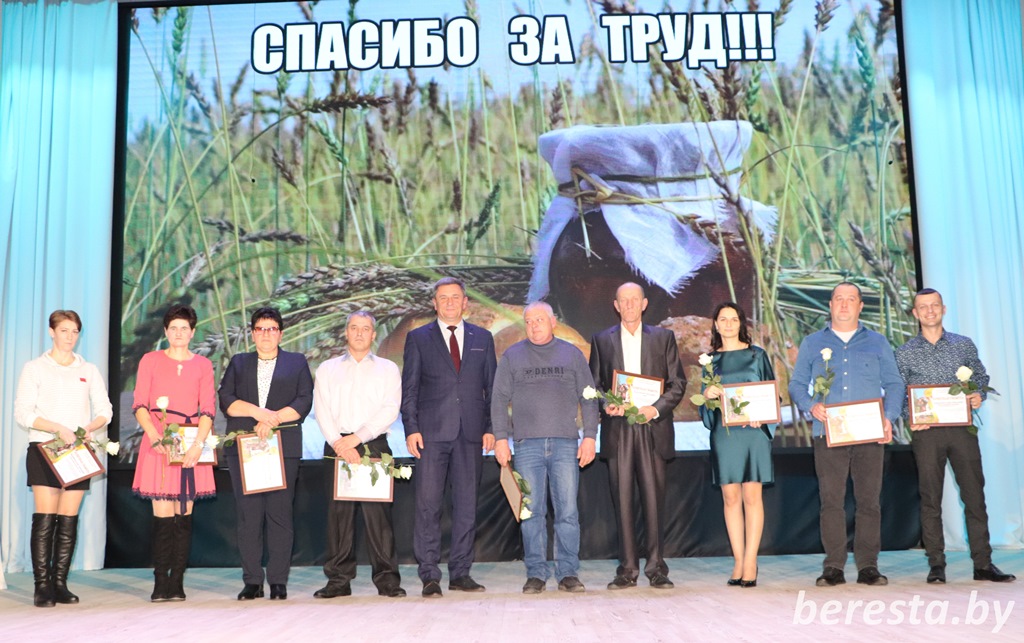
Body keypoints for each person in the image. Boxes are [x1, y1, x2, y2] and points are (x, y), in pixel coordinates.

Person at [895, 288, 1015, 584]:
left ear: (943, 308)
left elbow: (980, 377)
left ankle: (983, 564)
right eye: (923, 307)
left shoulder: (963, 344)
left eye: (934, 305)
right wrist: (911, 417)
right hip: (927, 434)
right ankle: (936, 564)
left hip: (962, 431)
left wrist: (977, 395)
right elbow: (898, 392)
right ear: (915, 313)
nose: (930, 311)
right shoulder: (904, 352)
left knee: (974, 496)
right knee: (930, 498)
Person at [788, 282, 904, 587]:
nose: (844, 304)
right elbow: (797, 384)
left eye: (850, 299)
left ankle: (868, 567)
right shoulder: (812, 342)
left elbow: (894, 384)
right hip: (828, 433)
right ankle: (833, 567)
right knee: (831, 502)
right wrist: (811, 406)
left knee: (869, 502)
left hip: (869, 434)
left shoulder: (878, 342)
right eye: (838, 299)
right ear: (830, 304)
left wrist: (889, 418)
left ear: (860, 306)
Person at [491, 302, 599, 594]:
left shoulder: (572, 354)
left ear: (553, 322)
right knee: (531, 512)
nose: (534, 325)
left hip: (566, 444)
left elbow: (589, 397)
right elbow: (498, 399)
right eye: (528, 321)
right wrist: (500, 439)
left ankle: (568, 573)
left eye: (539, 320)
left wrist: (590, 436)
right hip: (526, 446)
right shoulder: (512, 356)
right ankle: (536, 573)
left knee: (567, 512)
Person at [401, 277, 497, 597]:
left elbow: (492, 388)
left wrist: (491, 428)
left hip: (470, 433)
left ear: (465, 302)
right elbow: (409, 389)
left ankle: (460, 572)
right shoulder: (418, 338)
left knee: (466, 505)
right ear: (434, 303)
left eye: (456, 297)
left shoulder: (483, 337)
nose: (450, 302)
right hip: (430, 434)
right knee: (428, 506)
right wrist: (411, 428)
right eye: (444, 298)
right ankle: (429, 574)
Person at [589, 282, 686, 590]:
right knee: (622, 501)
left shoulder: (663, 337)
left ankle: (656, 567)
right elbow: (594, 386)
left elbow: (678, 383)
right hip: (618, 431)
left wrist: (655, 408)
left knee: (654, 501)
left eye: (634, 300)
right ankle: (627, 568)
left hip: (652, 428)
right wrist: (606, 405)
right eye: (623, 300)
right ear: (616, 305)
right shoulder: (601, 340)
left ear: (644, 304)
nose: (629, 305)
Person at [14, 310, 113, 607]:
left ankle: (60, 583)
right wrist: (57, 428)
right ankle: (42, 585)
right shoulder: (35, 368)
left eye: (75, 332)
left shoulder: (88, 370)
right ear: (51, 332)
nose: (70, 337)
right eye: (64, 331)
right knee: (45, 518)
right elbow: (23, 413)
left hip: (77, 452)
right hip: (45, 448)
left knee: (68, 519)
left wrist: (89, 428)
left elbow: (105, 410)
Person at [218, 307, 314, 601]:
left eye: (272, 329)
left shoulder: (296, 362)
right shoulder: (239, 362)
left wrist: (272, 420)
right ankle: (252, 581)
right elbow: (227, 400)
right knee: (249, 517)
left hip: (283, 448)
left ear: (281, 334)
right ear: (252, 334)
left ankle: (278, 581)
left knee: (280, 515)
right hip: (245, 448)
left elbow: (304, 401)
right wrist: (258, 413)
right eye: (260, 329)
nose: (266, 334)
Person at [312, 311, 407, 599]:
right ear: (346, 332)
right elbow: (322, 410)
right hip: (337, 446)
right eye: (354, 328)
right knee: (338, 518)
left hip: (374, 446)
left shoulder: (388, 369)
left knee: (379, 517)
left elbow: (390, 409)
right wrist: (339, 443)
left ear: (374, 334)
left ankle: (387, 579)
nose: (359, 333)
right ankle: (338, 580)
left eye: (365, 329)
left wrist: (357, 438)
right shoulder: (327, 368)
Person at [131, 304, 216, 602]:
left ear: (193, 333)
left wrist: (198, 445)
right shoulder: (150, 360)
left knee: (184, 514)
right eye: (173, 328)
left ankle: (177, 581)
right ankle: (160, 581)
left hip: (191, 443)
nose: (179, 333)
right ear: (165, 331)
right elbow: (140, 404)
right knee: (162, 514)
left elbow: (208, 409)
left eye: (184, 328)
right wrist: (154, 436)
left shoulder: (203, 364)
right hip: (159, 440)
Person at [698, 302, 775, 588]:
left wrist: (762, 417)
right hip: (725, 434)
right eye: (723, 319)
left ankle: (751, 561)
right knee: (730, 498)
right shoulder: (709, 361)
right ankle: (739, 560)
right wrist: (707, 394)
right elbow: (705, 408)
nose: (729, 324)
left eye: (734, 319)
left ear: (741, 323)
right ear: (716, 324)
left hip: (753, 434)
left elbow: (772, 394)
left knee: (752, 497)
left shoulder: (757, 355)